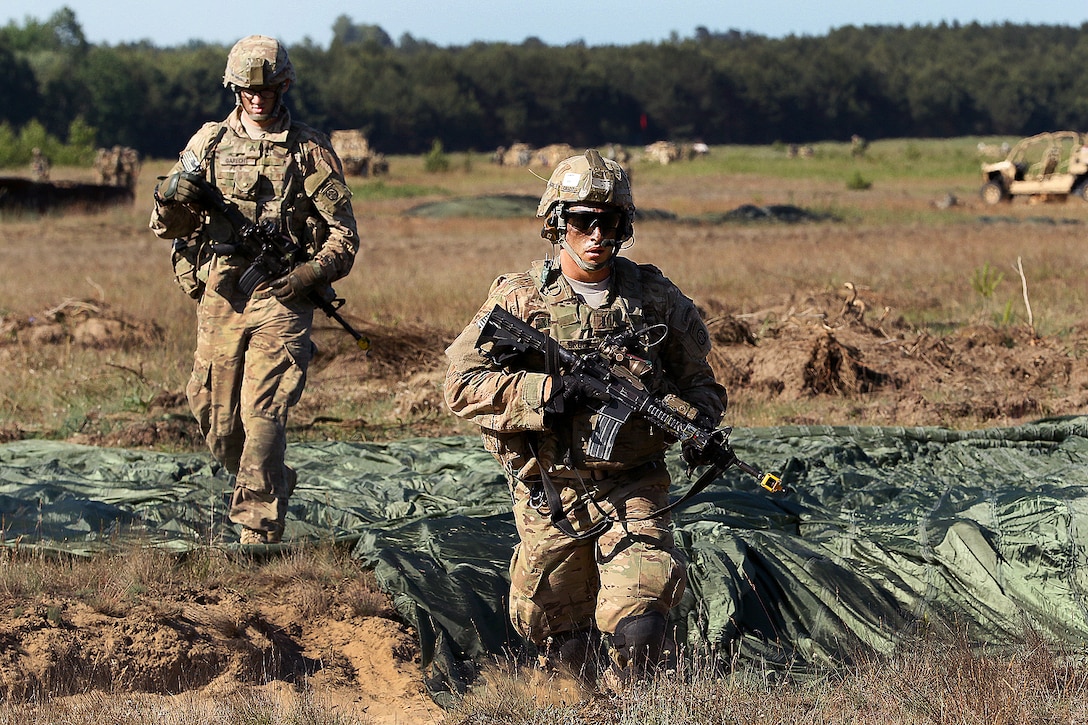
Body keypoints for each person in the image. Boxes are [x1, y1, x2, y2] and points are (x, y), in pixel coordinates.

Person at [444, 149, 727, 686]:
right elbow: (461, 386)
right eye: (582, 221)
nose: (596, 234)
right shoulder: (519, 299)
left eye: (610, 221)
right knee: (566, 648)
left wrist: (698, 425)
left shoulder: (656, 298)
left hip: (633, 484)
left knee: (640, 625)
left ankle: (640, 710)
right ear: (557, 223)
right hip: (550, 492)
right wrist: (548, 390)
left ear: (625, 226)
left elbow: (701, 385)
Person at [149, 35, 359, 545]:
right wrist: (172, 197)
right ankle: (271, 479)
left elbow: (345, 237)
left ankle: (256, 530)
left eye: (268, 88)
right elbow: (165, 226)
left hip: (283, 297)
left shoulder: (309, 150)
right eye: (247, 89)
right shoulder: (209, 144)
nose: (258, 98)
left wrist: (309, 275)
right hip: (221, 293)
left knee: (264, 412)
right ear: (233, 89)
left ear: (284, 86)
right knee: (216, 419)